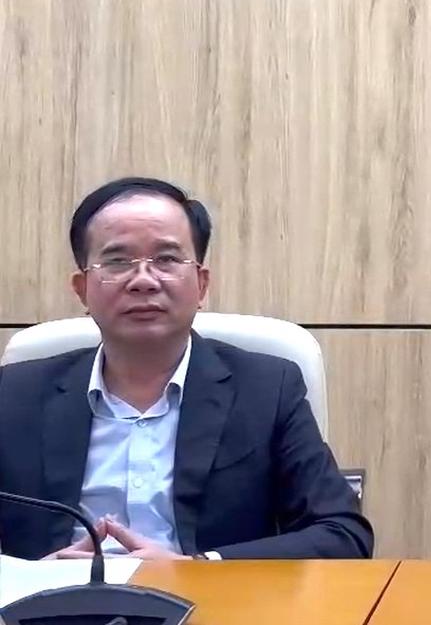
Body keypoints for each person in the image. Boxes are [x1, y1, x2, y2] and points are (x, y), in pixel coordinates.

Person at [0, 177, 374, 560]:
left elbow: (342, 536)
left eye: (166, 259)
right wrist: (28, 577)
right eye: (117, 261)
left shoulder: (267, 390)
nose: (143, 281)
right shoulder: (14, 395)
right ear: (82, 288)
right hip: (52, 598)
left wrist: (198, 570)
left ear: (201, 284)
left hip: (204, 596)